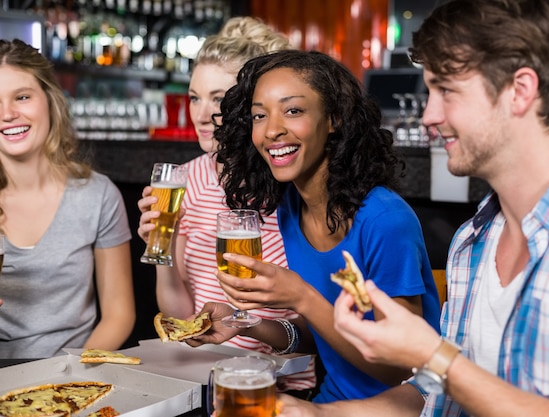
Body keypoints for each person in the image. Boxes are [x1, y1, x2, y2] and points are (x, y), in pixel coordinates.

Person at [275, 0, 549, 416]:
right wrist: (319, 414)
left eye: (446, 91)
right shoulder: (473, 241)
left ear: (521, 90)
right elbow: (434, 392)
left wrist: (433, 354)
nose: (428, 115)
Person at [193, 49, 440, 404]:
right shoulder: (291, 208)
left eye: (293, 110)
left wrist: (301, 297)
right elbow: (327, 331)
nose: (273, 130)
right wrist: (243, 323)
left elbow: (399, 367)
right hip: (329, 403)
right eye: (259, 116)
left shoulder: (385, 221)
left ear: (334, 119)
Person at [136, 17, 317, 395]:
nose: (201, 114)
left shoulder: (291, 179)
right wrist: (162, 249)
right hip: (203, 377)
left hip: (282, 382)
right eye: (194, 98)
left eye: (218, 98)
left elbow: (313, 326)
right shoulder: (182, 180)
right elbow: (181, 319)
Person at [0, 39, 135, 358]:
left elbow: (119, 314)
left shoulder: (97, 195)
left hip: (73, 374)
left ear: (50, 100)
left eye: (22, 97)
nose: (7, 114)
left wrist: (69, 379)